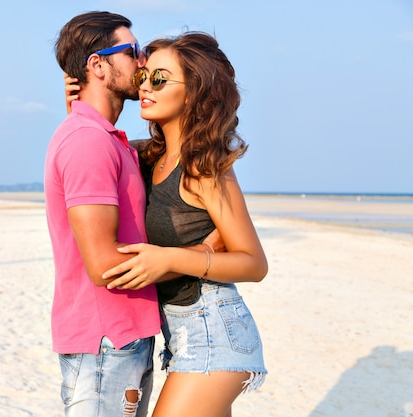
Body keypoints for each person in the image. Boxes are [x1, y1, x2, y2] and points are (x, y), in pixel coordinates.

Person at [65, 32, 268, 417]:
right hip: (180, 337)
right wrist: (78, 105)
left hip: (214, 332)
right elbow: (93, 148)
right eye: (143, 77)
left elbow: (254, 263)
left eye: (160, 79)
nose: (146, 87)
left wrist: (170, 259)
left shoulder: (204, 167)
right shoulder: (149, 155)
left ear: (193, 92)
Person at [45, 11, 160, 417]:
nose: (143, 61)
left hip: (121, 336)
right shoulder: (88, 142)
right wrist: (200, 259)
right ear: (98, 65)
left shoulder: (104, 139)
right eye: (132, 52)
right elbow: (103, 265)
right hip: (106, 342)